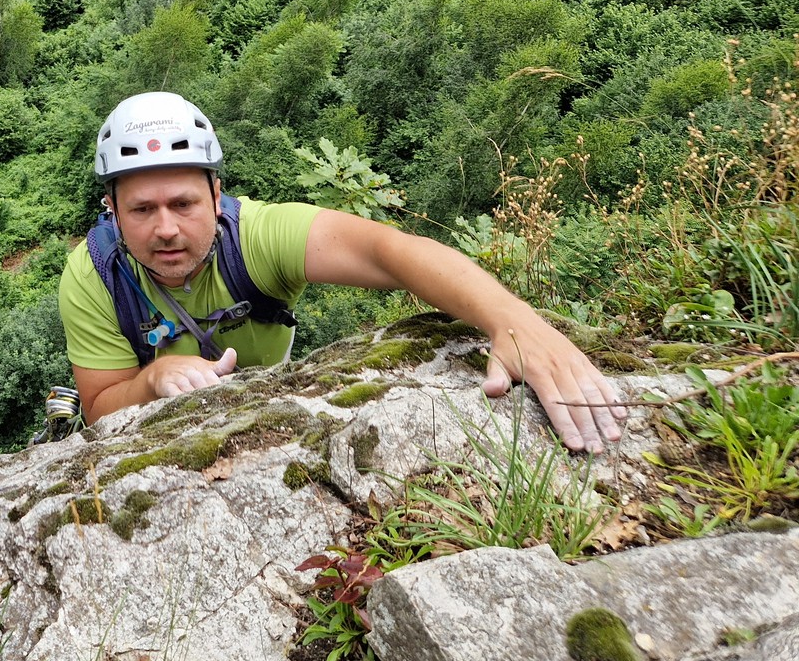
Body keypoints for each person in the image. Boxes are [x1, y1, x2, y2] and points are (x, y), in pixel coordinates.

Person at [58, 91, 628, 453]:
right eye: (141, 209)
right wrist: (155, 380)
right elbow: (101, 404)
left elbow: (392, 252)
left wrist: (511, 320)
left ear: (216, 193)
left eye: (183, 204)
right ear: (112, 208)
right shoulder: (95, 275)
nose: (165, 229)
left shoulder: (258, 236)